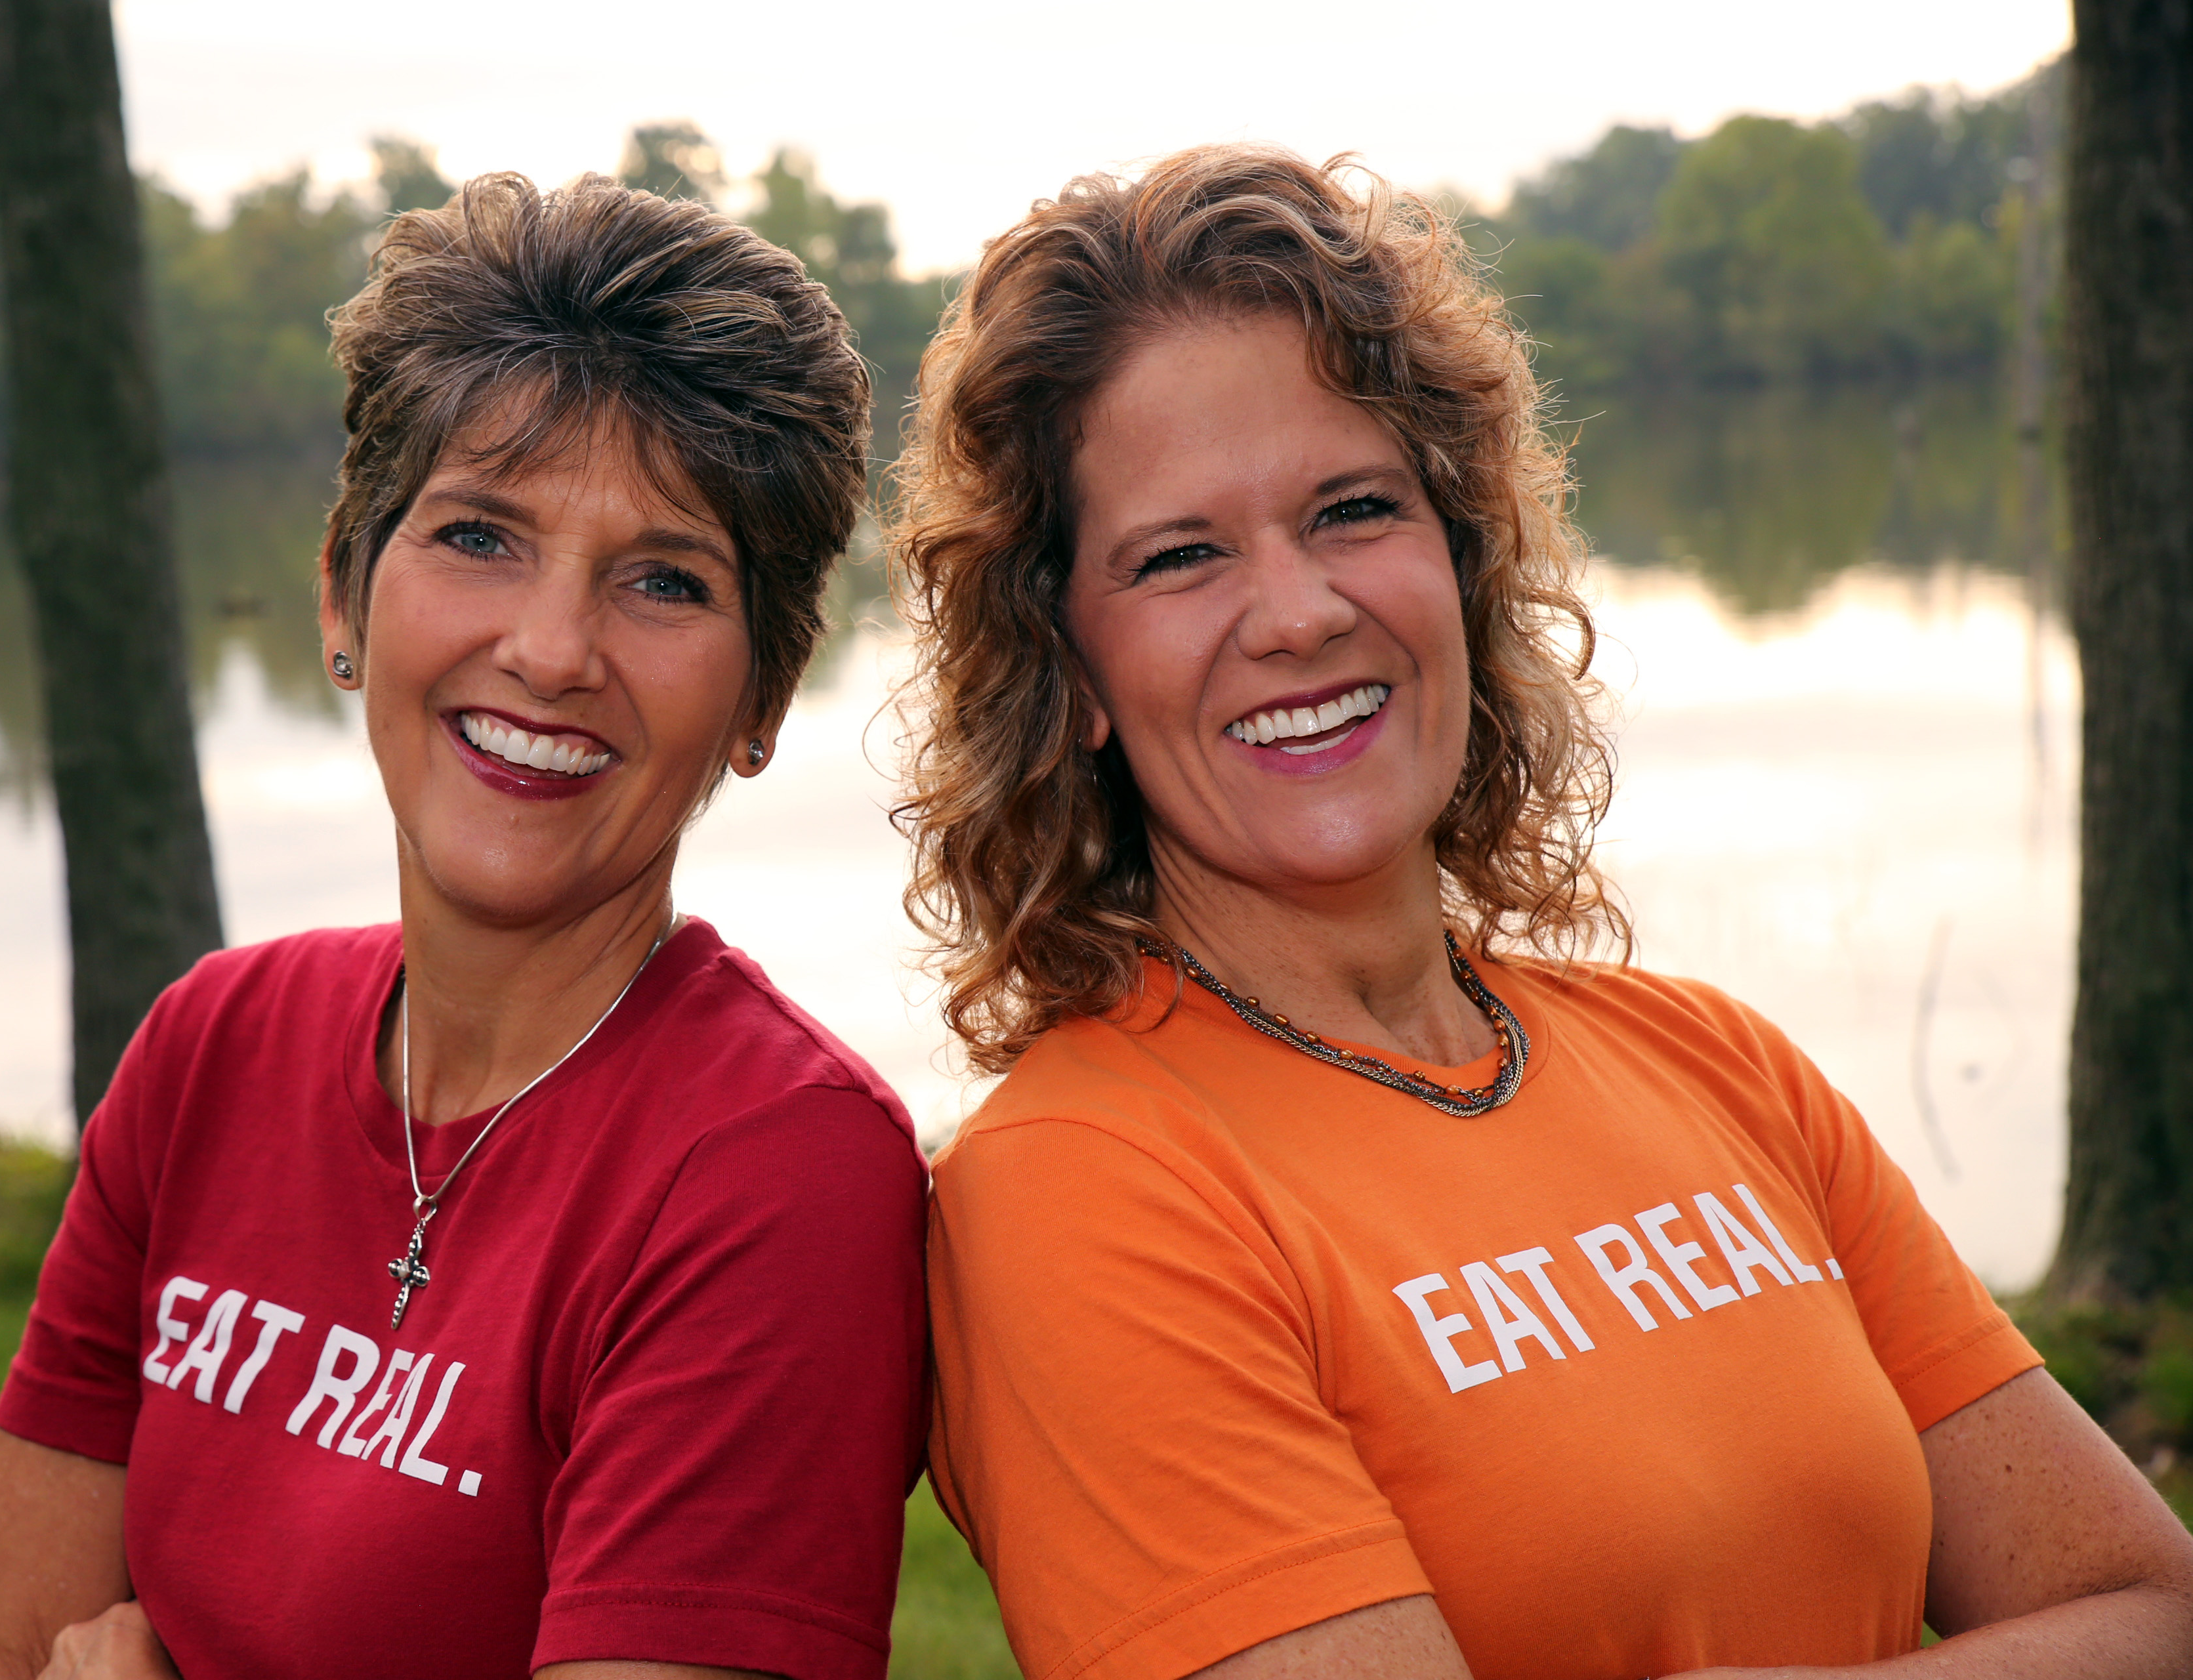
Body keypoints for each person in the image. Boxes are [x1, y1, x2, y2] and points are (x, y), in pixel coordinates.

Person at [892, 144, 2193, 1680]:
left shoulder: (1717, 1064)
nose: (1299, 612)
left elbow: (2152, 1605)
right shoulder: (1081, 1189)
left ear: (1461, 556)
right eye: (1181, 556)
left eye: (1354, 508)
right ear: (1071, 672)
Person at [0, 172, 929, 1680]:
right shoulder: (210, 1051)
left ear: (762, 695)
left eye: (664, 579)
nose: (552, 649)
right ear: (343, 594)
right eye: (479, 536)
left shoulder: (777, 1169)